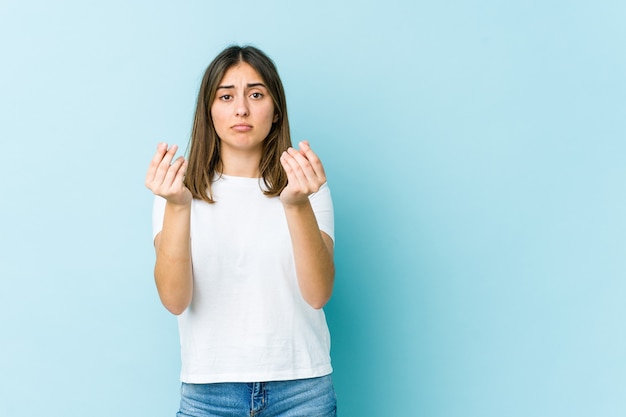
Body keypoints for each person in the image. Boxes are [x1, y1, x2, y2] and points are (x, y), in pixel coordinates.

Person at [145, 45, 337, 417]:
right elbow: (174, 300)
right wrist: (180, 207)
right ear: (209, 111)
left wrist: (296, 205)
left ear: (276, 109)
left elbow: (318, 294)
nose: (241, 109)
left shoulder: (306, 186)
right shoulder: (178, 191)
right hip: (208, 395)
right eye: (226, 96)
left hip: (302, 392)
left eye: (256, 94)